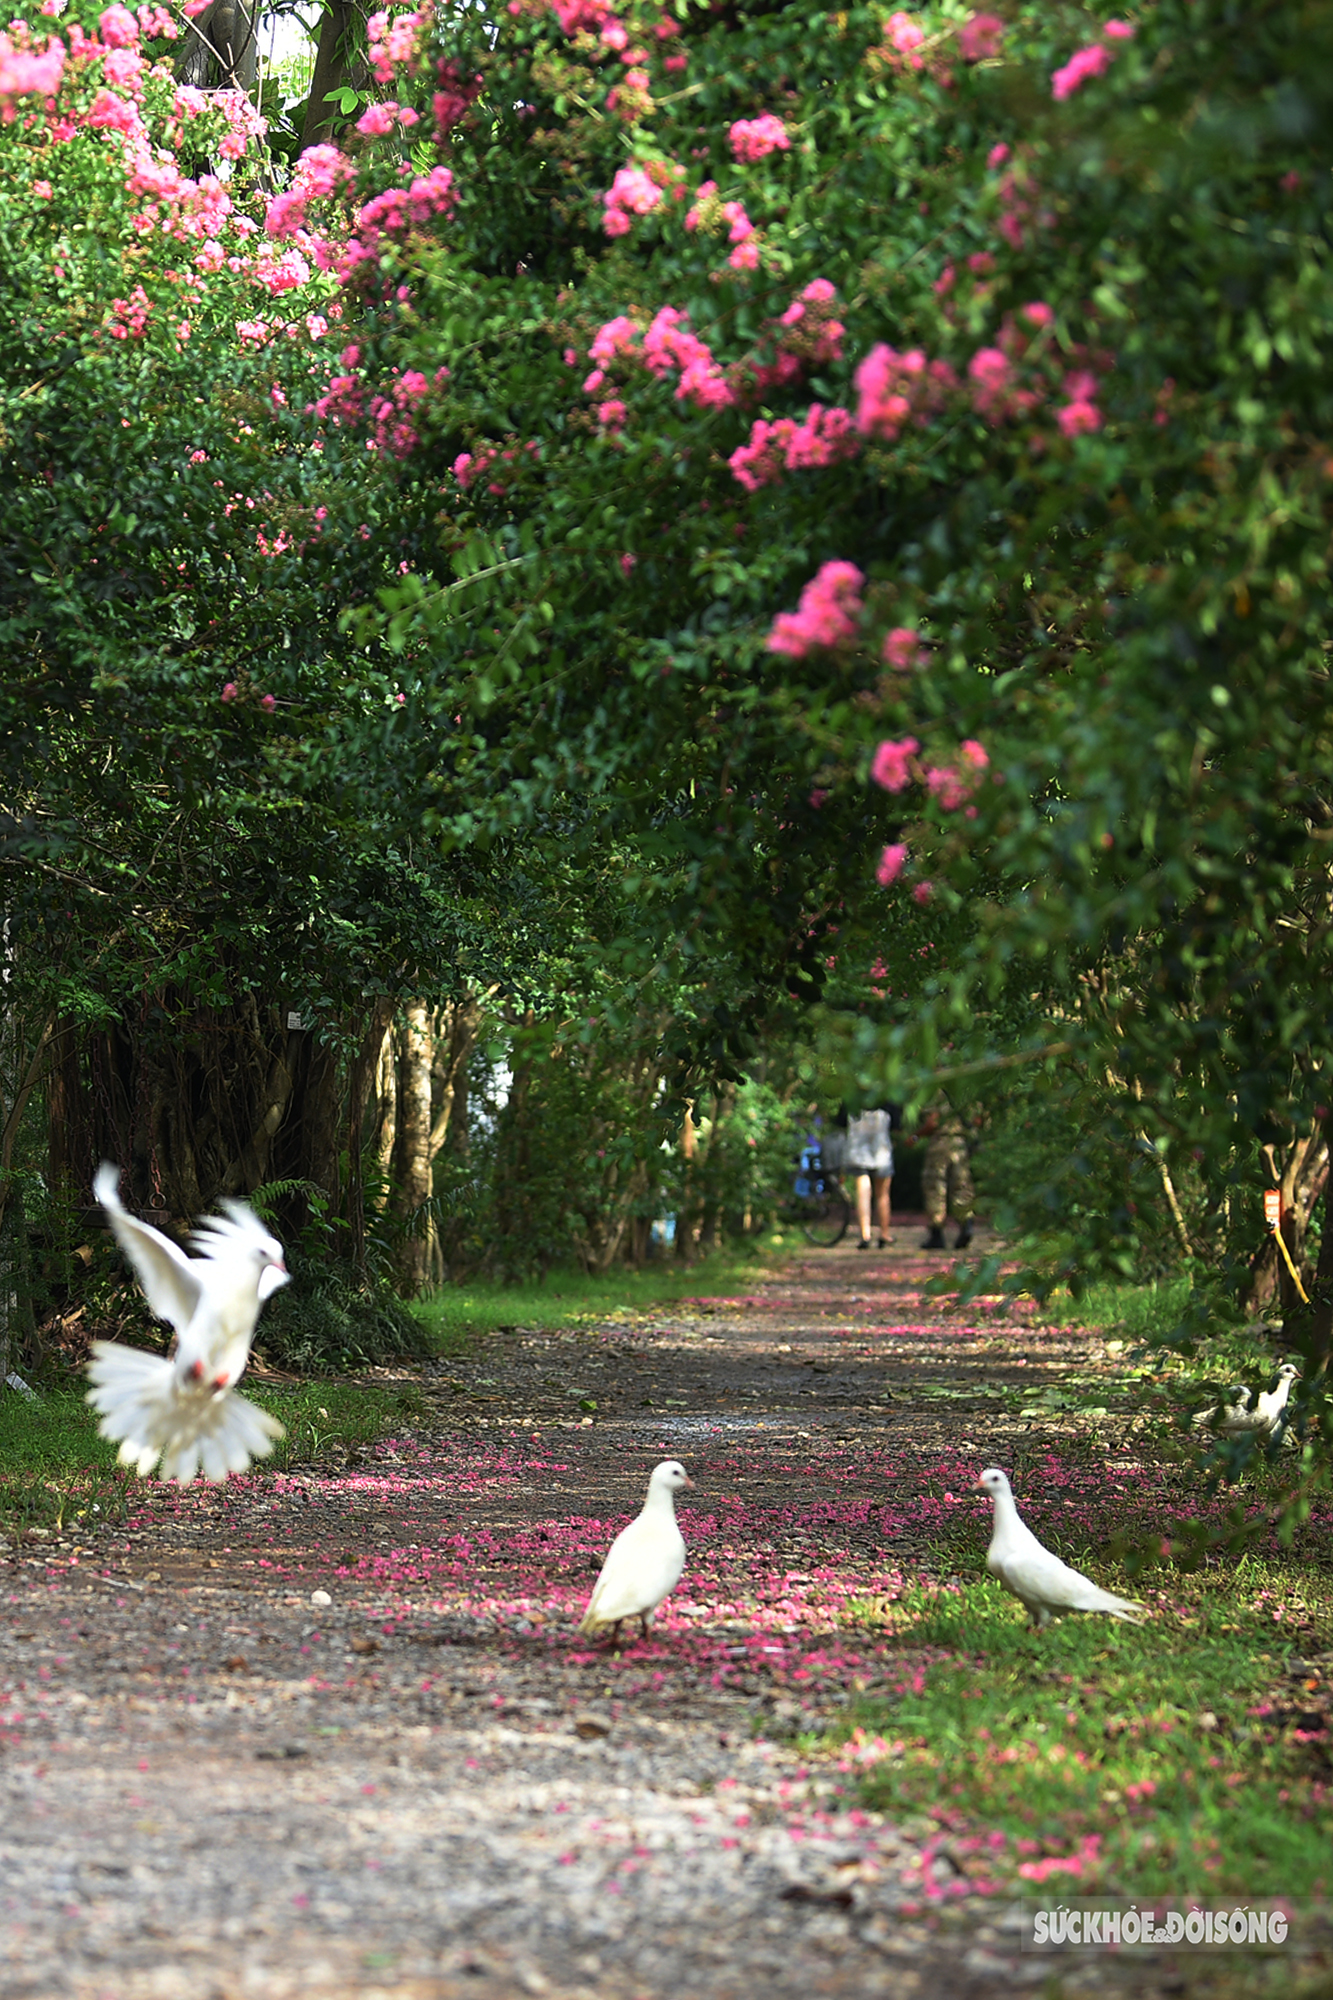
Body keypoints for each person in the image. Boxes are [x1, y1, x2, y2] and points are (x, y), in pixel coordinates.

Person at [837, 1100, 901, 1250]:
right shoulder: (889, 1099)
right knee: (883, 1194)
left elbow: (840, 1122)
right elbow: (897, 1127)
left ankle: (865, 1235)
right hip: (881, 1152)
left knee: (862, 1192)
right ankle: (884, 1234)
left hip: (857, 1152)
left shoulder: (851, 1099)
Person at [920, 1092, 974, 1250]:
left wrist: (915, 1136)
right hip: (960, 1143)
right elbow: (977, 1119)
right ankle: (966, 1223)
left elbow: (932, 1123)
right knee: (961, 1185)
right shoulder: (964, 1089)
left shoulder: (934, 1093)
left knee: (935, 1187)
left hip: (940, 1143)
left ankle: (937, 1234)